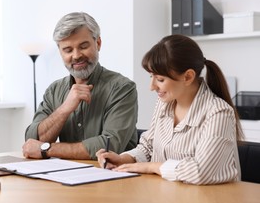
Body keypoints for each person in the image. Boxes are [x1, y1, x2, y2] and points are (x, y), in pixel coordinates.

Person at [96, 34, 244, 185]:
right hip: (167, 197)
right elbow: (148, 147)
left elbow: (201, 171)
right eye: (151, 77)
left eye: (160, 80)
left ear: (188, 77)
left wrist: (151, 167)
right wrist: (123, 159)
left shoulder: (219, 113)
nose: (152, 87)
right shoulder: (164, 103)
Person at [23, 12, 138, 160]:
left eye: (83, 46)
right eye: (68, 50)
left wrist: (48, 149)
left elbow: (109, 146)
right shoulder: (54, 90)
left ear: (98, 43)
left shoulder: (122, 88)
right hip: (66, 177)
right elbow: (33, 139)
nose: (76, 55)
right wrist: (64, 109)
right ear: (60, 52)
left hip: (113, 176)